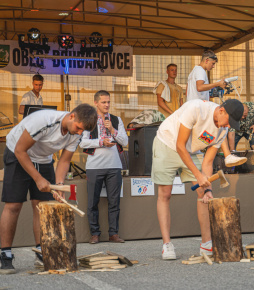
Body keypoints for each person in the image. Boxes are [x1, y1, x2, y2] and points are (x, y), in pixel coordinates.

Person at [0, 104, 97, 274]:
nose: (80, 133)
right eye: (79, 128)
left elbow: (64, 161)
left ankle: (40, 251)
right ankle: (5, 254)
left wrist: (59, 185)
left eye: (83, 131)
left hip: (43, 159)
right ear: (71, 116)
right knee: (13, 205)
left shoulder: (77, 133)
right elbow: (20, 151)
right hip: (17, 152)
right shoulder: (43, 121)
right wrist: (38, 178)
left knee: (42, 207)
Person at [151, 98, 244, 259]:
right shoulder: (196, 108)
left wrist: (207, 188)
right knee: (165, 194)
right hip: (167, 143)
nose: (228, 126)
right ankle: (167, 245)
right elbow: (180, 145)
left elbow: (208, 162)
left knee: (204, 194)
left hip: (190, 151)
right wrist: (198, 174)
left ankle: (206, 243)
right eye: (229, 122)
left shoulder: (222, 131)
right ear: (221, 110)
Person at [80, 90, 128, 244]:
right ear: (96, 103)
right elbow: (82, 142)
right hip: (94, 166)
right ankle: (95, 233)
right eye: (103, 102)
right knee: (92, 202)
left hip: (114, 165)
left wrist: (112, 130)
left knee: (114, 202)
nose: (107, 105)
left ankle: (113, 233)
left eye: (108, 102)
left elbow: (125, 141)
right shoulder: (88, 120)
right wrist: (101, 142)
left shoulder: (116, 119)